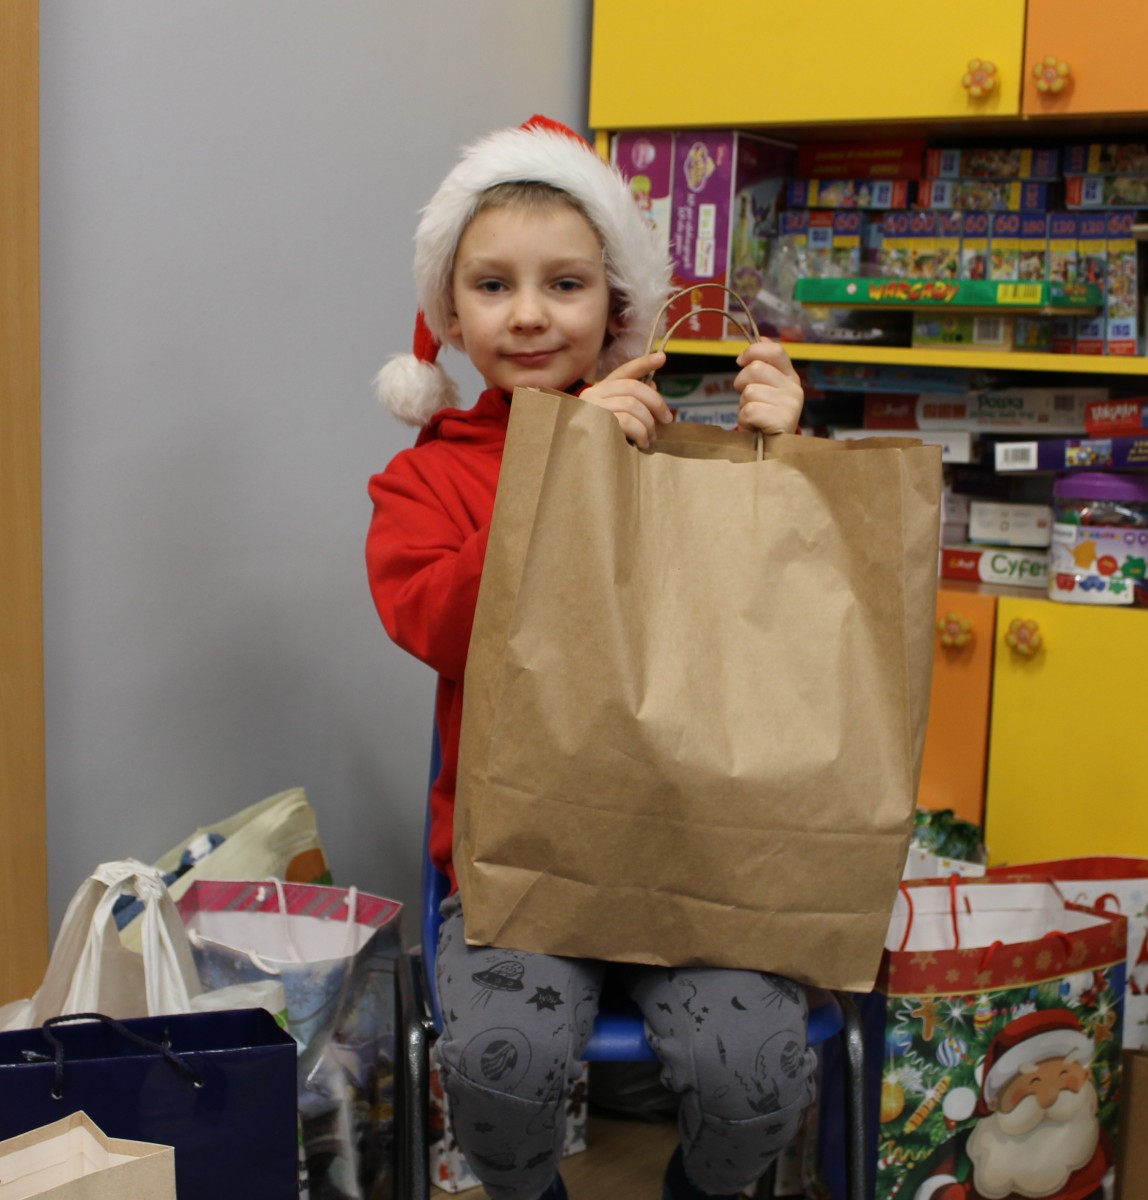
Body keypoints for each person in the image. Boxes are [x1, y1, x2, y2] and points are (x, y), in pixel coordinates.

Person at [365, 116, 813, 1200]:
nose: (527, 313)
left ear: (615, 308)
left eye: (563, 284)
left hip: (699, 860)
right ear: (449, 317)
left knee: (758, 1072)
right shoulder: (425, 482)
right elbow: (438, 625)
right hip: (519, 871)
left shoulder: (685, 454)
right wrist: (563, 469)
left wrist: (785, 459)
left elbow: (794, 621)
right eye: (493, 286)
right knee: (496, 1072)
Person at [911, 1009, 1114, 1200]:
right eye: (1034, 1082)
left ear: (1085, 1075)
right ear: (998, 1101)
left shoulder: (1091, 1133)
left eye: (1063, 1074)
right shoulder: (986, 1150)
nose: (1049, 1096)